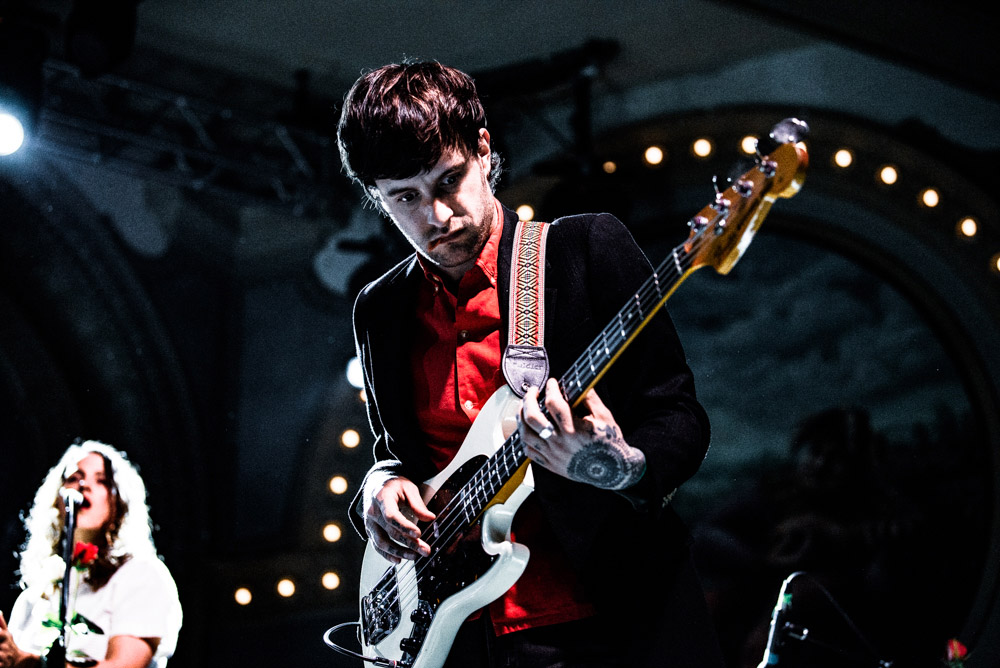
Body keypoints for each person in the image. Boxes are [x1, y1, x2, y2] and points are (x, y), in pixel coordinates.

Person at [337, 60, 724, 667]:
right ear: (377, 200)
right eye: (405, 198)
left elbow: (677, 415)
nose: (437, 217)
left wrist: (616, 467)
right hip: (459, 639)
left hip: (607, 623)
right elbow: (396, 450)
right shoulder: (379, 309)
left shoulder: (584, 250)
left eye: (448, 180)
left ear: (484, 151)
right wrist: (378, 487)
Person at [0, 441, 182, 668]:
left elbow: (123, 665)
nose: (83, 485)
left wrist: (30, 664)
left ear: (119, 502)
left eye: (101, 480)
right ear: (56, 500)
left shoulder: (141, 575)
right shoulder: (34, 597)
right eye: (74, 478)